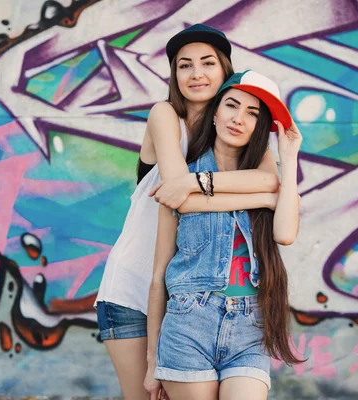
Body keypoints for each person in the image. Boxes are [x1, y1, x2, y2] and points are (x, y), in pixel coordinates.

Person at [95, 25, 280, 400]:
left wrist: (260, 192)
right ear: (174, 75)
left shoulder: (237, 127)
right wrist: (259, 198)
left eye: (208, 63)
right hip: (132, 288)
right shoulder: (165, 115)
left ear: (225, 70)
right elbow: (179, 195)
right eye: (185, 65)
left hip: (192, 296)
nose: (196, 74)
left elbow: (271, 180)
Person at [146, 70, 304, 400]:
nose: (238, 119)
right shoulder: (180, 178)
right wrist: (151, 363)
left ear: (261, 127)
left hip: (251, 326)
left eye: (253, 114)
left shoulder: (270, 179)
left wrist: (289, 160)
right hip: (188, 322)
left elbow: (286, 234)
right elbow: (159, 274)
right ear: (215, 111)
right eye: (232, 106)